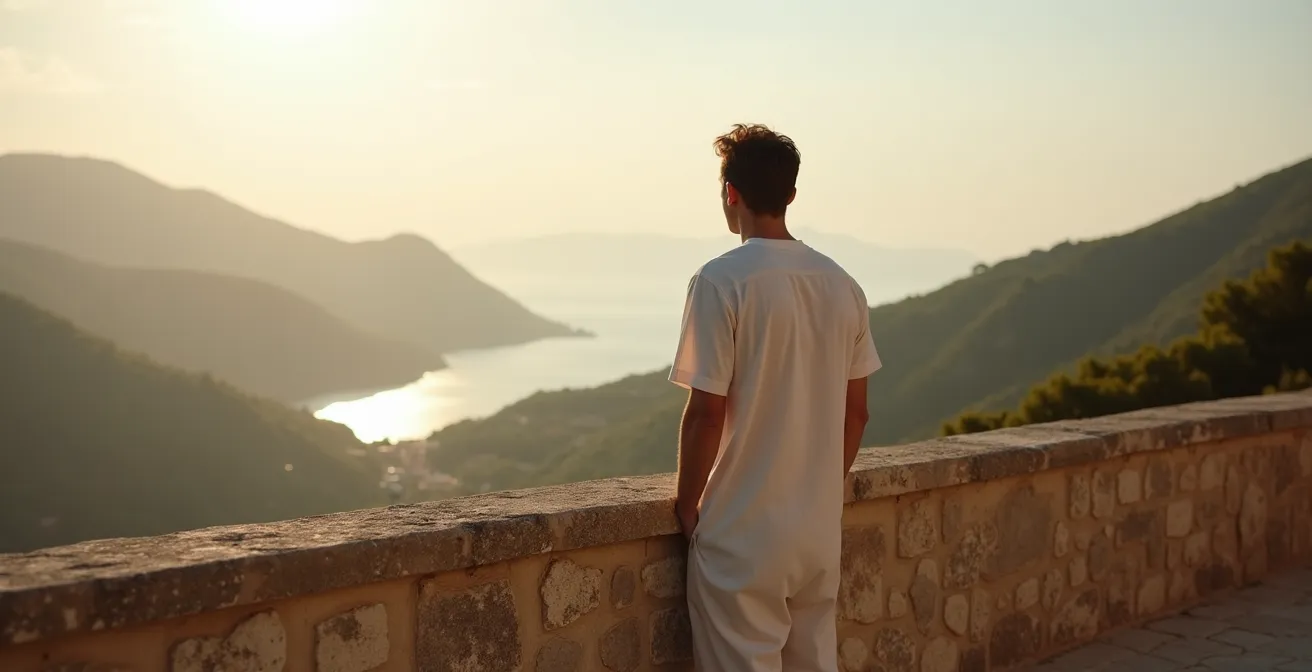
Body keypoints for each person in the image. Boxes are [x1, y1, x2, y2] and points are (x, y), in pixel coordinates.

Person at [669, 123, 881, 671]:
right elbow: (855, 413)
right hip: (815, 533)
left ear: (730, 194)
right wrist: (814, 490)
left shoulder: (721, 281)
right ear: (790, 194)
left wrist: (689, 506)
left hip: (742, 535)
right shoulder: (843, 285)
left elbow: (706, 414)